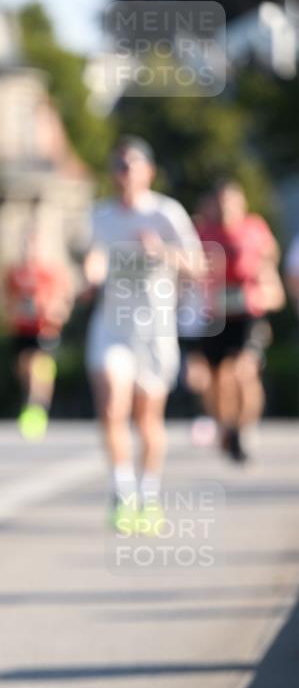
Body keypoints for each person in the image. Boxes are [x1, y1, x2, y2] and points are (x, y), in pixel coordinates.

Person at [83, 136, 203, 534]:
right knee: (112, 408)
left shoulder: (166, 214)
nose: (124, 173)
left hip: (154, 330)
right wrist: (92, 273)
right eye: (118, 165)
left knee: (147, 418)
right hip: (111, 328)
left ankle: (148, 498)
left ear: (148, 171)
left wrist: (164, 253)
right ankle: (123, 493)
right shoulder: (101, 215)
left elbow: (198, 266)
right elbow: (95, 256)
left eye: (131, 165)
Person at [195, 180, 284, 462]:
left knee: (245, 372)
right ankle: (227, 425)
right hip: (215, 316)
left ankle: (245, 428)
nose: (225, 208)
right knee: (216, 379)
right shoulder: (203, 232)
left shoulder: (254, 229)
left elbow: (269, 266)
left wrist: (267, 289)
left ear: (241, 203)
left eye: (231, 201)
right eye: (220, 201)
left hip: (248, 314)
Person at [3, 227, 74, 440]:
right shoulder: (15, 273)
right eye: (26, 246)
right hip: (22, 328)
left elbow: (63, 297)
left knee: (37, 366)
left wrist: (55, 312)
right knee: (23, 367)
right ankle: (33, 398)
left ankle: (37, 406)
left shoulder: (50, 271)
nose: (30, 250)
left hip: (45, 327)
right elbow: (7, 299)